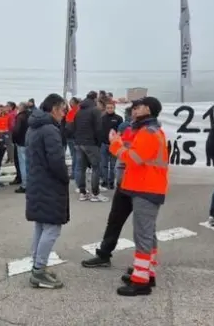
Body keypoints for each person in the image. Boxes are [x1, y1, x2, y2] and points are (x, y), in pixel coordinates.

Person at [81, 97, 167, 297]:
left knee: (143, 235)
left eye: (139, 107)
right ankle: (146, 273)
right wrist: (119, 142)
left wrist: (115, 143)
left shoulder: (148, 132)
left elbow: (134, 158)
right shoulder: (145, 130)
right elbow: (133, 152)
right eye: (134, 107)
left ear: (149, 110)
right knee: (147, 233)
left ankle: (141, 281)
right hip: (141, 186)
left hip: (145, 187)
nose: (134, 110)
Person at [25, 93, 70, 289]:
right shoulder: (50, 129)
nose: (64, 114)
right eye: (63, 110)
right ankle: (39, 270)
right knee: (52, 228)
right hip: (50, 183)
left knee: (41, 226)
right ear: (54, 109)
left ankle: (37, 264)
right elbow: (56, 160)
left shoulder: (33, 127)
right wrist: (65, 177)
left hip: (36, 180)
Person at [73, 91, 106, 202]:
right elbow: (98, 128)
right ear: (95, 99)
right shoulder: (95, 110)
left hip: (78, 142)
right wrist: (98, 142)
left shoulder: (79, 111)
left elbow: (74, 126)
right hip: (90, 143)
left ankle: (82, 193)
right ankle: (95, 193)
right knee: (96, 167)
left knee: (81, 168)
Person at [100, 101, 124, 190]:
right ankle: (105, 181)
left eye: (111, 108)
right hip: (104, 144)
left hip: (114, 145)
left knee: (113, 165)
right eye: (108, 108)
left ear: (114, 108)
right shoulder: (102, 118)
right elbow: (99, 130)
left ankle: (111, 182)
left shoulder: (119, 118)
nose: (109, 109)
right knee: (104, 164)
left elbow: (121, 132)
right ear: (105, 108)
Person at [13, 103, 30, 194]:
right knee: (30, 164)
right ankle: (31, 183)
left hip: (21, 142)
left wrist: (14, 140)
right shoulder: (31, 116)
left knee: (23, 164)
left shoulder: (20, 117)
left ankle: (25, 185)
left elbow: (16, 130)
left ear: (21, 108)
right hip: (30, 142)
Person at [65, 97, 80, 178]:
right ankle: (77, 172)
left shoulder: (72, 112)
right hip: (78, 136)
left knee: (74, 155)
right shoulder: (80, 111)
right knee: (77, 155)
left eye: (71, 102)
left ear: (74, 103)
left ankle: (74, 173)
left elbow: (69, 126)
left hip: (71, 137)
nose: (70, 104)